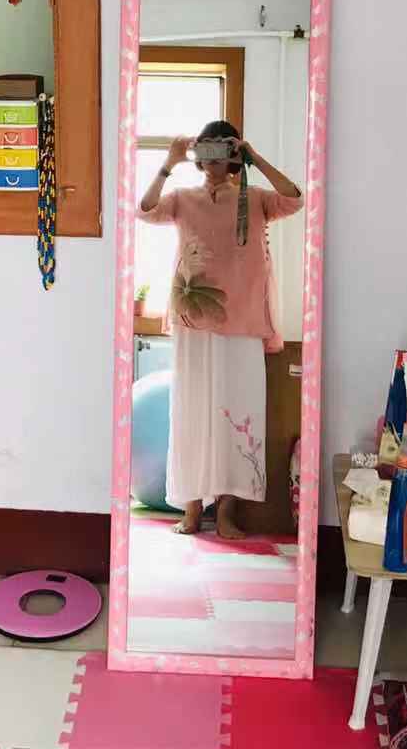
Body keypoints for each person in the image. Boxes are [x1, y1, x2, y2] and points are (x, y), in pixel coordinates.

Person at [138, 120, 303, 538]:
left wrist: (253, 156)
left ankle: (228, 511)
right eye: (206, 146)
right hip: (194, 316)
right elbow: (145, 210)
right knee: (190, 411)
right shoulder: (183, 199)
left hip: (243, 319)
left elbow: (294, 198)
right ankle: (192, 508)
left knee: (239, 413)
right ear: (198, 154)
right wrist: (170, 162)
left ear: (232, 154)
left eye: (221, 147)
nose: (213, 156)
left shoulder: (256, 198)